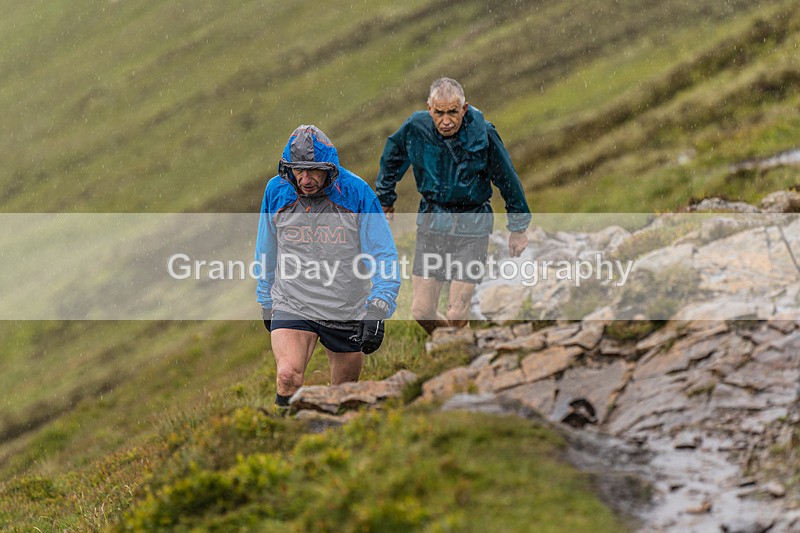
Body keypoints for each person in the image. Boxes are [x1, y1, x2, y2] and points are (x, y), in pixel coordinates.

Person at [256, 125, 400, 412]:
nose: (305, 179)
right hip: (293, 301)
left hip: (345, 307)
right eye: (298, 170)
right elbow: (265, 248)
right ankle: (286, 441)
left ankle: (335, 445)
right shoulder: (277, 191)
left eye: (313, 171)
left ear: (330, 169)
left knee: (344, 398)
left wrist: (378, 307)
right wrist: (266, 299)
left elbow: (384, 254)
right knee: (287, 377)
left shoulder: (357, 193)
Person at [376, 78, 532, 334]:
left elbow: (507, 179)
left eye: (452, 112)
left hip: (472, 227)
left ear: (464, 108)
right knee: (421, 311)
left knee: (457, 312)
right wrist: (385, 199)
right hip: (431, 223)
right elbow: (392, 158)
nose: (446, 120)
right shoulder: (415, 128)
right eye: (439, 113)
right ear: (429, 108)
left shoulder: (484, 132)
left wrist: (518, 227)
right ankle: (454, 345)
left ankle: (458, 356)